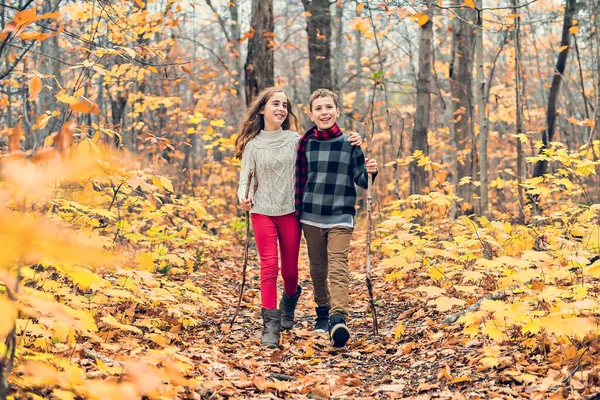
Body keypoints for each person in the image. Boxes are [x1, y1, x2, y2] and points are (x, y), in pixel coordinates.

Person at [235, 87, 362, 348]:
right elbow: (245, 180)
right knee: (270, 267)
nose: (281, 109)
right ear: (262, 109)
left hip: (291, 211)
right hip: (262, 211)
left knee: (291, 272)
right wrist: (244, 198)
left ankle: (290, 301)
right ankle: (270, 325)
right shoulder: (253, 145)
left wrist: (354, 141)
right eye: (275, 104)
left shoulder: (297, 140)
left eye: (285, 105)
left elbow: (320, 160)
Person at [295, 88, 378, 348]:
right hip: (311, 215)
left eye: (329, 107)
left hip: (341, 214)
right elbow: (298, 180)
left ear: (337, 111)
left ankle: (338, 317)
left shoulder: (350, 144)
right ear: (311, 114)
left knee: (338, 266)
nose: (324, 112)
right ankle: (322, 312)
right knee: (317, 270)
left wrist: (372, 170)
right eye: (318, 108)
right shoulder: (304, 144)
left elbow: (362, 180)